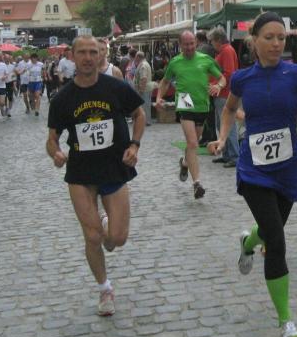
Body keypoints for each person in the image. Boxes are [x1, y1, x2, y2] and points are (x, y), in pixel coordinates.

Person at [208, 12, 297, 337]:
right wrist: (222, 137)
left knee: (268, 230)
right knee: (276, 240)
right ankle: (286, 320)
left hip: (288, 169)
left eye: (281, 38)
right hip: (254, 170)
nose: (276, 44)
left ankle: (247, 243)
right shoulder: (242, 79)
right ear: (254, 41)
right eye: (269, 37)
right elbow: (229, 109)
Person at [46, 35, 145, 317]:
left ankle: (107, 225)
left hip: (114, 168)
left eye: (93, 52)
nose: (88, 57)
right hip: (81, 173)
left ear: (100, 55)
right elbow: (52, 139)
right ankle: (105, 289)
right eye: (82, 52)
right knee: (92, 237)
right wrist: (56, 154)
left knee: (117, 238)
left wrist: (134, 145)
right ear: (72, 56)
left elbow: (139, 115)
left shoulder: (115, 87)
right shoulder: (63, 98)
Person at [155, 30, 225, 200]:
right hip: (185, 100)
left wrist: (218, 86)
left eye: (192, 43)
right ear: (180, 45)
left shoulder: (205, 59)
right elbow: (165, 81)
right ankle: (197, 184)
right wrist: (158, 97)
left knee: (193, 144)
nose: (189, 47)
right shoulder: (175, 62)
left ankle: (185, 162)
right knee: (192, 142)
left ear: (196, 43)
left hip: (202, 104)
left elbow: (222, 78)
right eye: (186, 44)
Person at [207, 26, 240, 168]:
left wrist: (216, 85)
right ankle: (227, 154)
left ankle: (234, 155)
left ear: (218, 40)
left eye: (212, 41)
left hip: (225, 93)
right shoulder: (224, 51)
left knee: (228, 125)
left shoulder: (226, 51)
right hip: (221, 93)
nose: (211, 44)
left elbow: (229, 73)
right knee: (221, 124)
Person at [133, 51, 153, 127]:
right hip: (146, 88)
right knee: (146, 105)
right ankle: (147, 120)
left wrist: (141, 90)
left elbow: (143, 78)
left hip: (144, 89)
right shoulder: (146, 63)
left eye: (136, 57)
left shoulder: (143, 65)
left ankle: (145, 121)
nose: (135, 58)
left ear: (138, 57)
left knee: (144, 105)